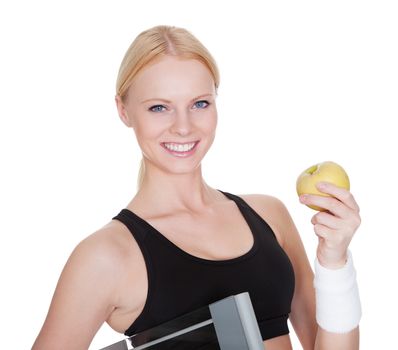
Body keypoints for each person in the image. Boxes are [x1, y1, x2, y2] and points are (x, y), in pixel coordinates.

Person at [32, 25, 362, 350]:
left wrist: (334, 263)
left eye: (199, 104)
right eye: (159, 107)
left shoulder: (269, 215)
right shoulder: (105, 256)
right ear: (124, 110)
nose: (183, 126)